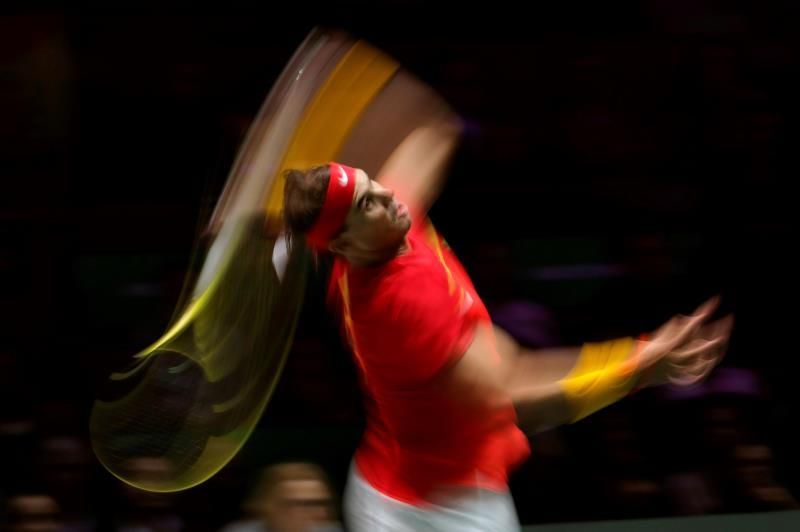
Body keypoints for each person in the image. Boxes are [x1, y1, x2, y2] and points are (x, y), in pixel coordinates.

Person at [281, 116, 733, 531]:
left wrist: (445, 124)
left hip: (401, 476)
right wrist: (638, 367)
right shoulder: (399, 307)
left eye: (371, 182)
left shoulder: (380, 231)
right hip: (431, 514)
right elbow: (512, 403)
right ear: (343, 245)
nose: (388, 194)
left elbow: (428, 137)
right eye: (366, 203)